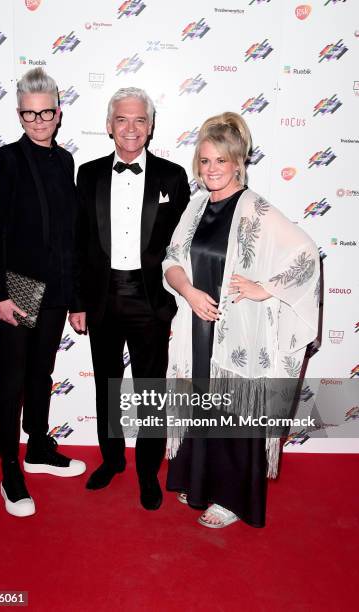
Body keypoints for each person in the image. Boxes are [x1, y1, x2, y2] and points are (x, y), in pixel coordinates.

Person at [162, 112, 319, 528]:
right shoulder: (195, 208)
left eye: (220, 161)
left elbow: (305, 253)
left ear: (238, 163)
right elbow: (172, 261)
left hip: (238, 335)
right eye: (205, 161)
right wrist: (189, 291)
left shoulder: (256, 210)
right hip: (197, 326)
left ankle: (230, 498)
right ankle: (198, 483)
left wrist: (263, 287)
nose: (212, 169)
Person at [69, 87, 190, 510]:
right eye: (123, 119)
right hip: (101, 299)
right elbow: (79, 243)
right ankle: (112, 460)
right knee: (108, 386)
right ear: (109, 125)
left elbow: (185, 244)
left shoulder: (173, 177)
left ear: (151, 126)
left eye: (140, 119)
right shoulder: (88, 174)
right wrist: (77, 301)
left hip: (150, 299)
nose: (131, 127)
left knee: (151, 392)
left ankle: (147, 473)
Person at [0, 68, 86, 518]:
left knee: (42, 373)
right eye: (30, 114)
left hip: (58, 290)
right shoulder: (5, 160)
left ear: (58, 113)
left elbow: (71, 236)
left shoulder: (66, 162)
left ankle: (39, 448)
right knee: (12, 377)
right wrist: (0, 293)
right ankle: (9, 465)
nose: (39, 120)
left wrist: (76, 298)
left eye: (47, 112)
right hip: (19, 290)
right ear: (20, 114)